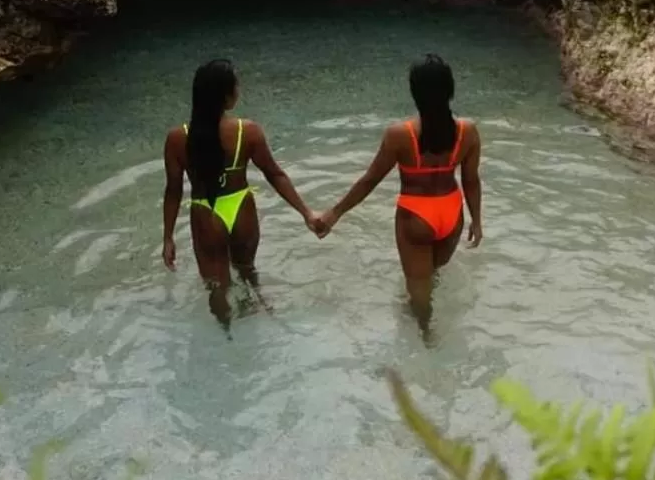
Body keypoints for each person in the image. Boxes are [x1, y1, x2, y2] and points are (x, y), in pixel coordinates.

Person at [315, 54, 482, 330]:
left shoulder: (400, 134)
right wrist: (476, 220)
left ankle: (427, 339)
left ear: (414, 93)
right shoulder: (469, 131)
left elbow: (370, 180)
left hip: (416, 215)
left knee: (419, 294)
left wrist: (335, 213)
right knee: (433, 273)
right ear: (450, 89)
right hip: (452, 214)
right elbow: (471, 180)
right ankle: (439, 333)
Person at [163, 59, 317, 330]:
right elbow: (275, 174)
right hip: (241, 210)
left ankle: (226, 335)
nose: (239, 90)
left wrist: (168, 237)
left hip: (206, 214)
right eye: (236, 85)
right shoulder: (248, 131)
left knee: (217, 287)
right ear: (226, 96)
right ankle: (259, 317)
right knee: (248, 273)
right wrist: (307, 213)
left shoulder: (177, 138)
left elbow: (173, 190)